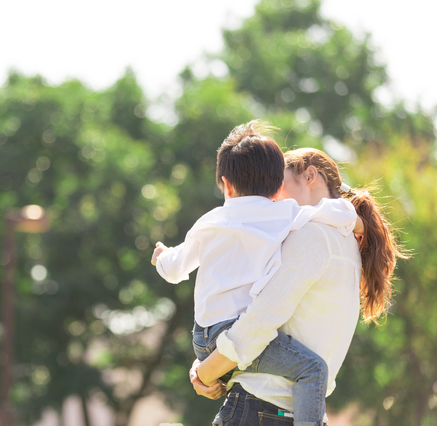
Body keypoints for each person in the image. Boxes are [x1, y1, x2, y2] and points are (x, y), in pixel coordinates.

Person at [151, 121, 361, 426]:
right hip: (254, 378)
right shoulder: (287, 218)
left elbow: (175, 267)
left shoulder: (211, 220)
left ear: (226, 183)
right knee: (313, 370)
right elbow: (335, 212)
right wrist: (360, 223)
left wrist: (161, 256)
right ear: (276, 187)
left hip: (205, 336)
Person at [191, 147, 406, 426]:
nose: (272, 197)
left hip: (261, 409)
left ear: (310, 176)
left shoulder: (312, 235)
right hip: (297, 411)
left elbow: (259, 321)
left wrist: (205, 371)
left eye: (279, 185)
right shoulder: (344, 242)